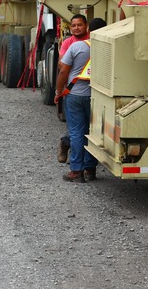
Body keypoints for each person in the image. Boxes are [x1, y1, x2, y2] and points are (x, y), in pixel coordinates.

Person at [55, 17, 106, 182]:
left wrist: (58, 91)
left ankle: (76, 170)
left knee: (77, 132)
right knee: (93, 133)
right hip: (97, 97)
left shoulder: (77, 46)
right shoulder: (108, 49)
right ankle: (90, 170)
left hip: (75, 95)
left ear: (89, 30)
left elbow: (63, 71)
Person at [56, 15, 90, 163]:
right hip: (75, 90)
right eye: (74, 25)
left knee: (78, 129)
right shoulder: (69, 43)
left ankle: (77, 166)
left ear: (86, 26)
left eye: (79, 25)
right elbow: (62, 66)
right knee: (81, 129)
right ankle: (86, 166)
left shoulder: (89, 42)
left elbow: (64, 69)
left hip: (79, 92)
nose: (76, 28)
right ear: (70, 27)